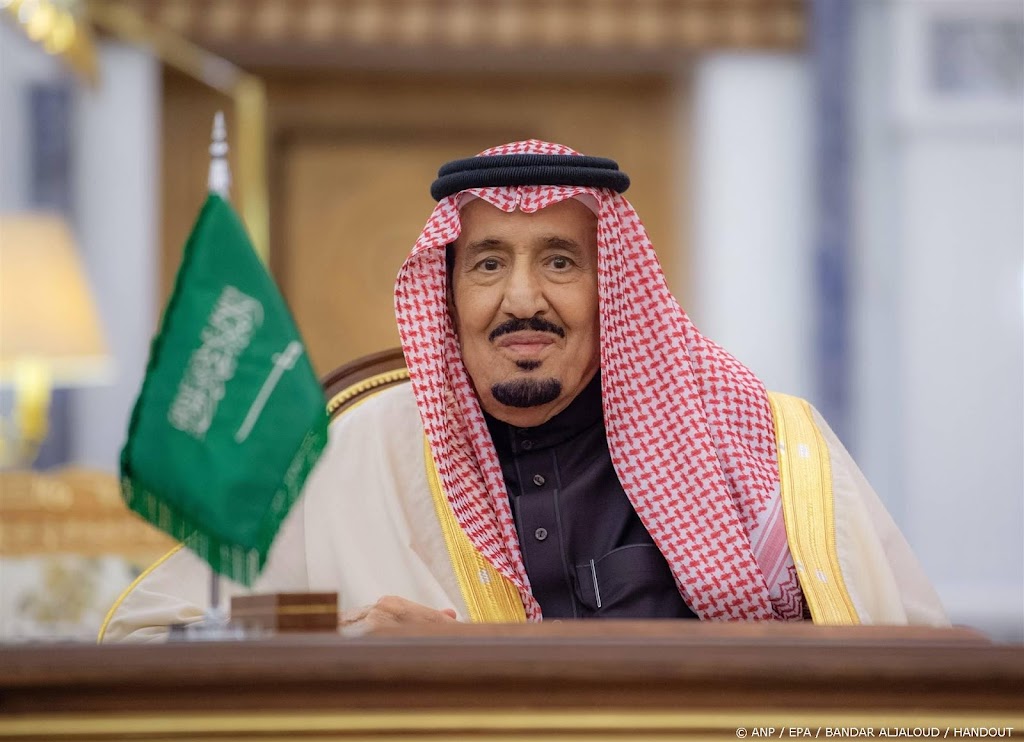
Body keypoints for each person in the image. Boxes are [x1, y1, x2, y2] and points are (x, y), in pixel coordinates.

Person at [101, 140, 947, 641]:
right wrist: (340, 640)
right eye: (487, 264)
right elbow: (149, 635)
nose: (521, 299)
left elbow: (920, 676)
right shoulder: (347, 453)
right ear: (447, 295)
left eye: (560, 261)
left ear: (614, 289)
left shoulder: (757, 442)